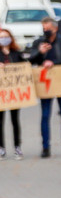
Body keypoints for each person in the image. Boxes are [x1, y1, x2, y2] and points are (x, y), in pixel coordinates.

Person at [28, 17, 61, 158]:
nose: (46, 31)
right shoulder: (38, 42)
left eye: (48, 28)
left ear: (55, 28)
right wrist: (40, 52)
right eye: (43, 28)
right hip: (45, 83)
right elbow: (31, 60)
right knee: (45, 115)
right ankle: (45, 147)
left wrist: (54, 62)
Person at [0, 28, 25, 160]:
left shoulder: (16, 53)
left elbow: (24, 67)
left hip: (15, 93)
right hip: (1, 93)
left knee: (15, 121)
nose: (4, 39)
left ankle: (17, 146)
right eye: (1, 37)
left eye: (6, 36)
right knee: (0, 121)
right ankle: (1, 148)